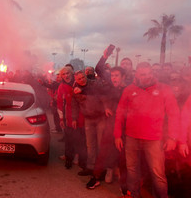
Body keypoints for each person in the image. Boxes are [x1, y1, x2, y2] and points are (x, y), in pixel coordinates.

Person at [114, 62, 180, 198]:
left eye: (149, 73)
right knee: (132, 170)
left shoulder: (164, 89)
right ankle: (134, 195)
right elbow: (120, 113)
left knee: (158, 174)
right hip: (132, 137)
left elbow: (174, 114)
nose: (147, 77)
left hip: (154, 139)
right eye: (143, 74)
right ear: (136, 75)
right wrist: (117, 135)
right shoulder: (129, 89)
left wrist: (173, 137)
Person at [72, 70, 106, 176]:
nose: (82, 80)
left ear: (86, 76)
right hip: (88, 119)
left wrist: (82, 90)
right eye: (79, 79)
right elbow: (75, 105)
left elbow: (100, 93)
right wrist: (74, 118)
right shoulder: (75, 90)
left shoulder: (94, 83)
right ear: (76, 80)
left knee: (101, 144)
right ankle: (90, 167)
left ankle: (101, 169)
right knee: (90, 145)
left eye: (83, 77)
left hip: (100, 117)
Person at [57, 66, 86, 169]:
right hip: (68, 117)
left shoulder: (78, 83)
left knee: (81, 140)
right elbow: (60, 104)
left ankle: (82, 161)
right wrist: (61, 119)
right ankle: (68, 160)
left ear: (71, 74)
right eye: (63, 74)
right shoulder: (61, 87)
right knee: (69, 140)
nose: (66, 76)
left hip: (81, 116)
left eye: (67, 73)